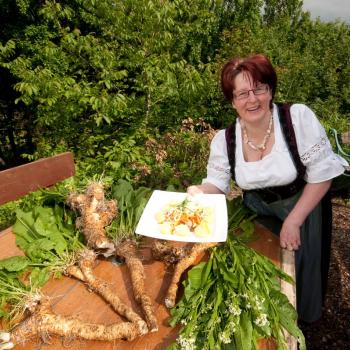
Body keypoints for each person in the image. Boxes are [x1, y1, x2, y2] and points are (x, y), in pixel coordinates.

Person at [187, 53, 349, 323]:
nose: (252, 99)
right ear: (232, 101)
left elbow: (322, 174)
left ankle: (298, 324)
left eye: (258, 89)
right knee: (260, 273)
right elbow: (217, 182)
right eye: (241, 94)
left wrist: (294, 221)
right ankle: (268, 326)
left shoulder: (297, 119)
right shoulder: (224, 139)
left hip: (303, 206)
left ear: (270, 90)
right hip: (257, 212)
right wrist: (200, 191)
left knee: (300, 269)